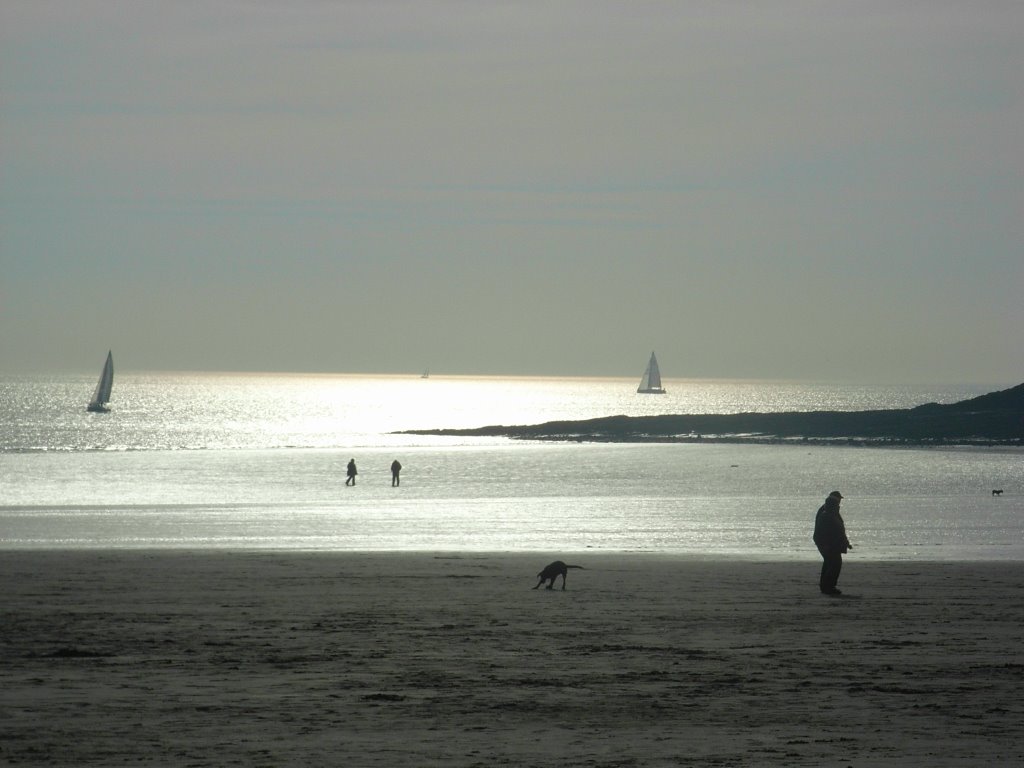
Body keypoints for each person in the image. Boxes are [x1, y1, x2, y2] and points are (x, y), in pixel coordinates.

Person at [813, 491, 852, 595]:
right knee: (834, 564)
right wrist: (824, 544)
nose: (839, 502)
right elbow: (824, 531)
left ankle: (825, 587)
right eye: (838, 500)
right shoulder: (827, 513)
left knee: (830, 563)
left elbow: (839, 529)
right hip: (829, 544)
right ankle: (828, 587)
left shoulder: (830, 511)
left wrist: (846, 542)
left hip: (830, 543)